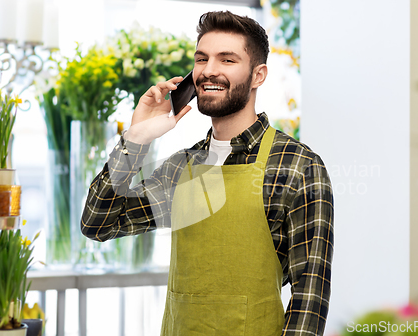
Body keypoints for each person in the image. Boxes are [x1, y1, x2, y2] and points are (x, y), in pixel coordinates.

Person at [81, 10, 334, 336]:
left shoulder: (298, 166)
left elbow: (309, 301)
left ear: (258, 75)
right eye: (202, 59)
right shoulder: (179, 168)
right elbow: (98, 223)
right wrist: (136, 138)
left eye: (227, 60)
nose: (209, 70)